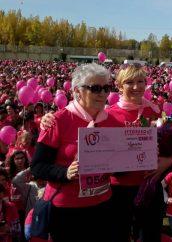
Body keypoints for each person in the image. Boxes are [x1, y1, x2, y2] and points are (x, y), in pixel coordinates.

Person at [31, 63, 122, 242]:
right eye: (95, 88)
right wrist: (65, 173)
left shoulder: (113, 122)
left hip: (103, 205)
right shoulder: (57, 121)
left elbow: (120, 168)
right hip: (66, 209)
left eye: (106, 88)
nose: (103, 93)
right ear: (77, 91)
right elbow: (37, 167)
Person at [106, 63, 166, 242]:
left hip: (149, 187)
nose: (136, 87)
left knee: (150, 236)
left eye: (140, 81)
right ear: (119, 85)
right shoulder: (109, 114)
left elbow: (171, 146)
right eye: (129, 82)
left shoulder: (154, 111)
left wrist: (166, 161)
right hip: (119, 189)